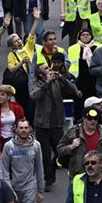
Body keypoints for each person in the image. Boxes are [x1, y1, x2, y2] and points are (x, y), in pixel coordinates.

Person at [31, 51, 78, 190]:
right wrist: (46, 83)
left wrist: (62, 78)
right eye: (46, 69)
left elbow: (72, 90)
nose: (50, 69)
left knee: (59, 151)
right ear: (40, 74)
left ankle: (52, 168)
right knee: (45, 153)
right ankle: (48, 178)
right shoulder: (37, 83)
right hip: (42, 124)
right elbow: (35, 96)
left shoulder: (58, 80)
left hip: (57, 122)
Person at [57, 108, 102, 180]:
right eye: (90, 118)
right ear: (84, 119)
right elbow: (60, 149)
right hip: (79, 177)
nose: (93, 121)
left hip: (100, 178)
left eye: (95, 118)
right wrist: (71, 147)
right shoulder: (73, 132)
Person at [0, 85, 24, 160]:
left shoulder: (17, 108)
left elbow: (23, 123)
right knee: (3, 167)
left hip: (15, 140)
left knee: (16, 165)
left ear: (8, 97)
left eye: (2, 95)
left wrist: (17, 127)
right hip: (2, 142)